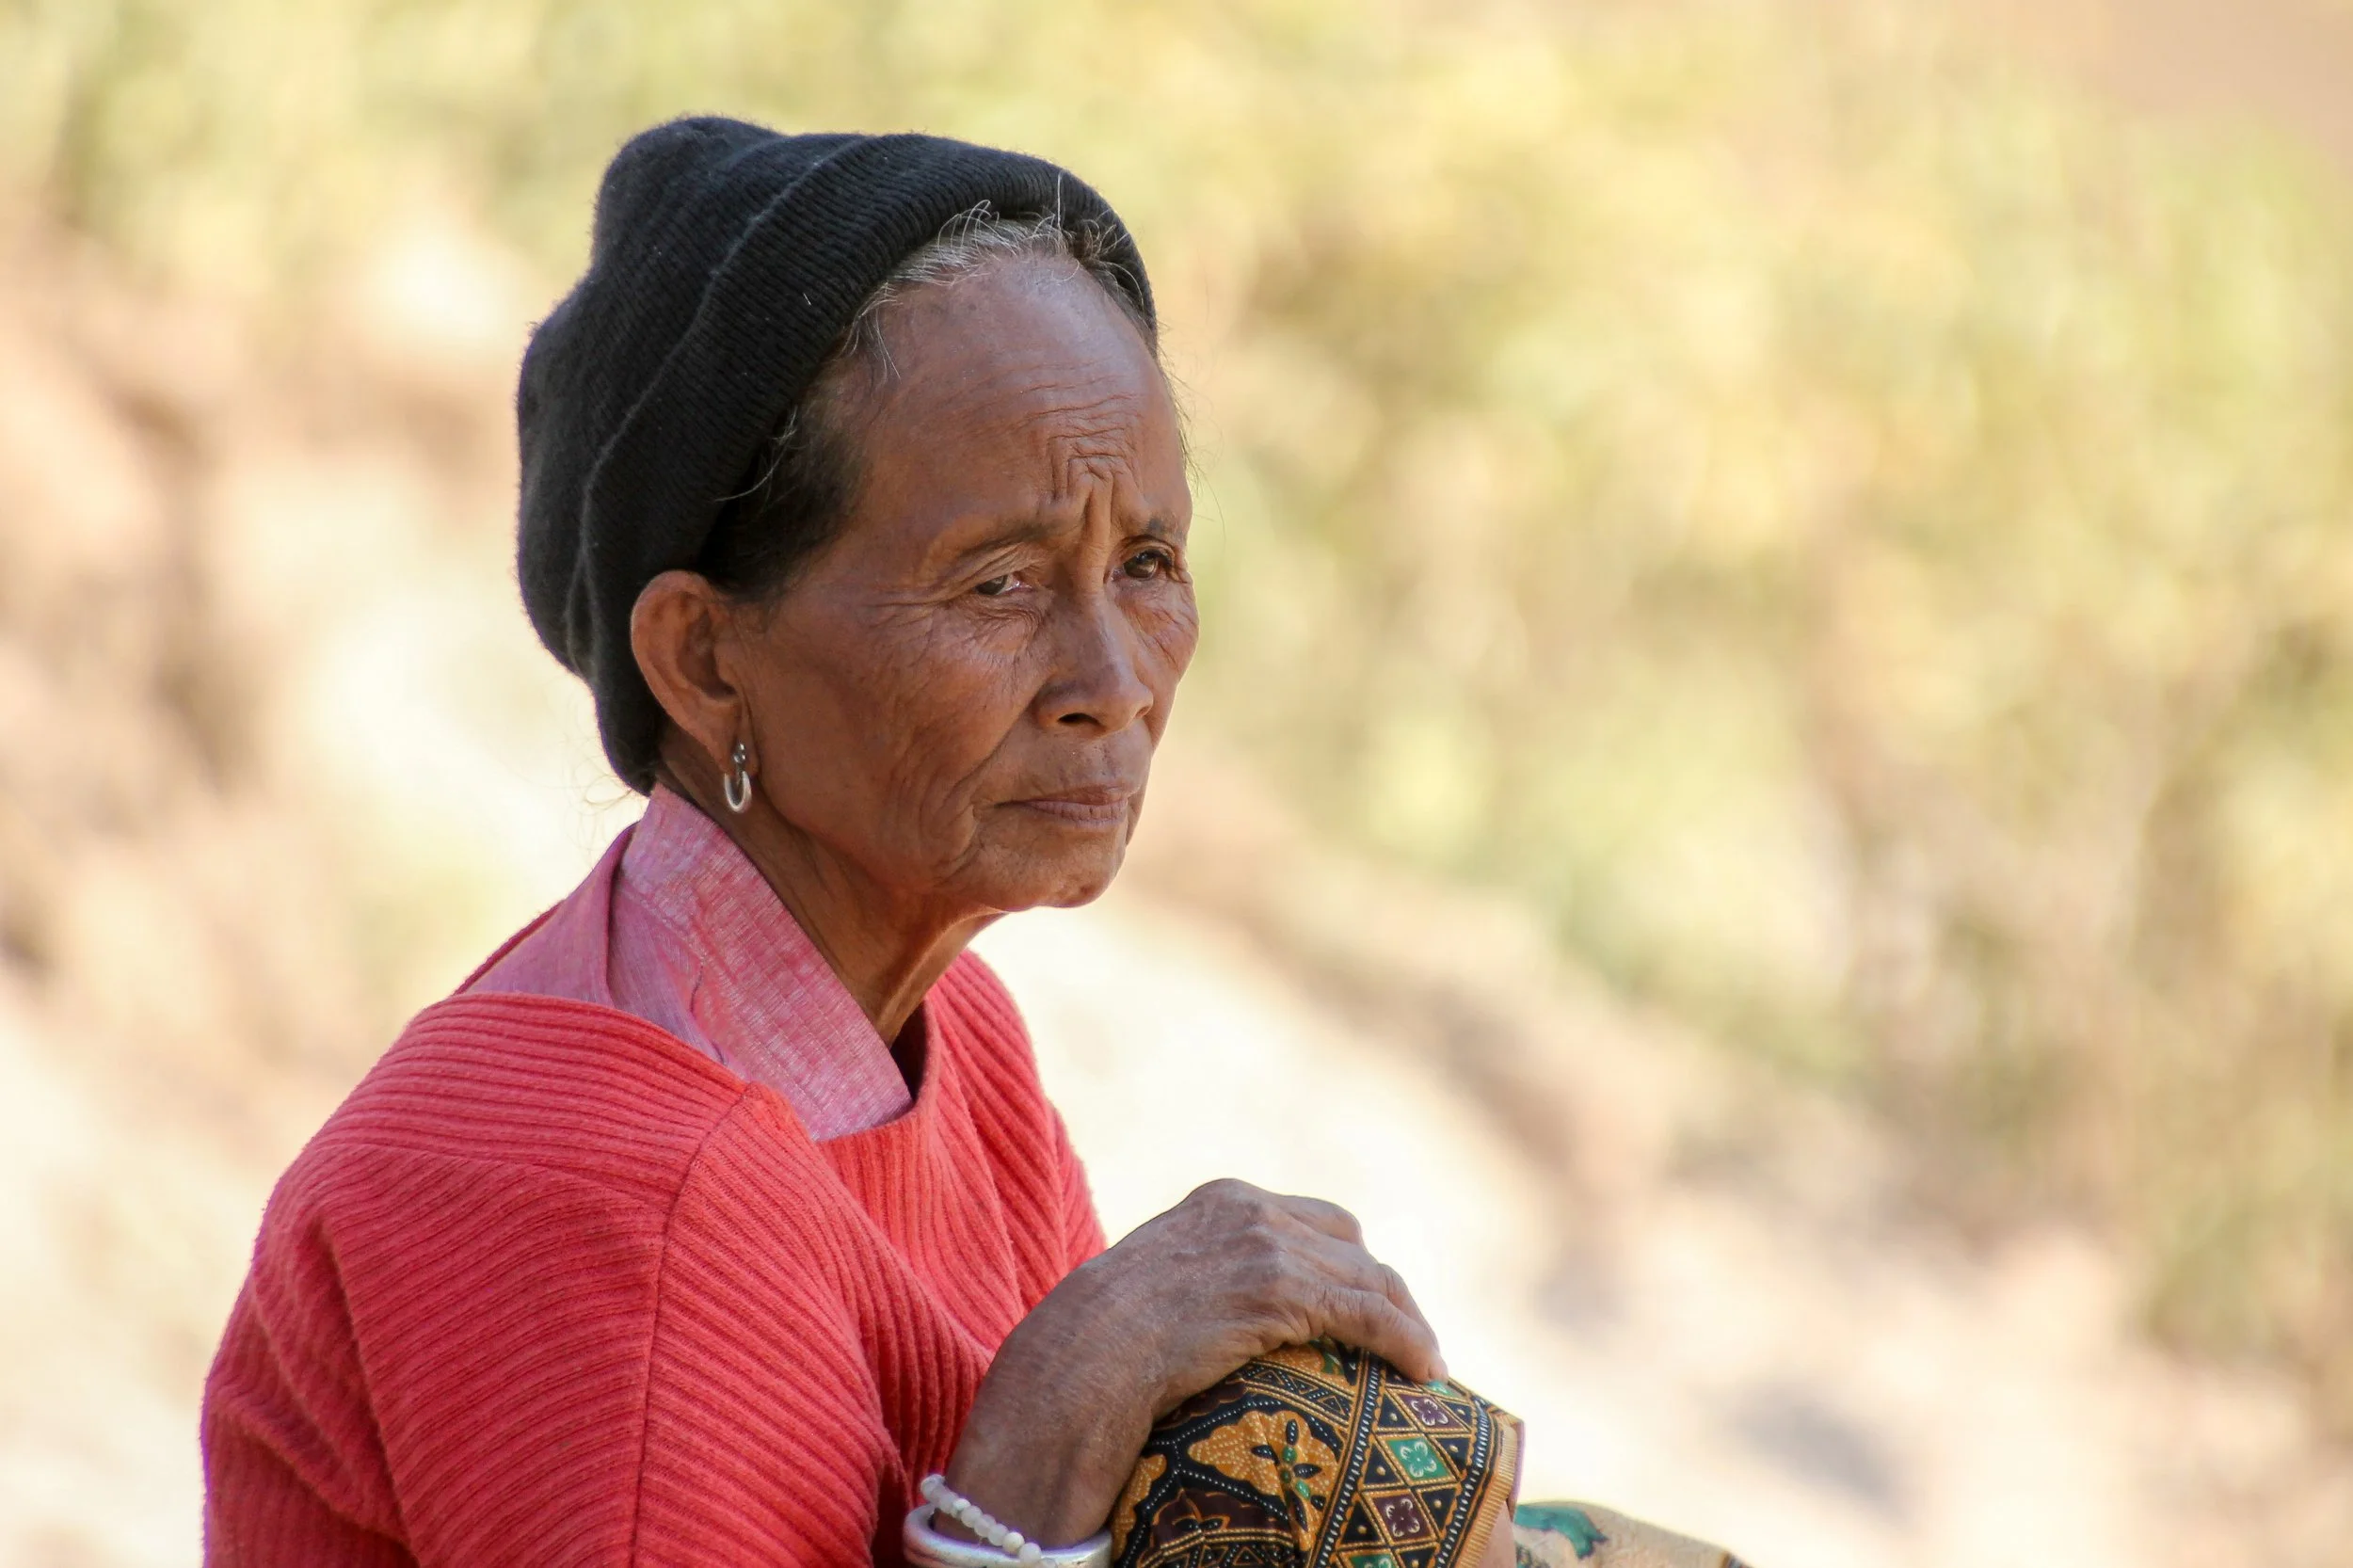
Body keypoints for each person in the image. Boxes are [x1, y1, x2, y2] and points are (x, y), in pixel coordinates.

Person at [200, 118, 1741, 1568]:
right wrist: (1048, 1430)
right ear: (704, 658)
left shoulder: (950, 1042)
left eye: (1145, 562)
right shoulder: (601, 1195)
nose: (1114, 682)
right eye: (999, 583)